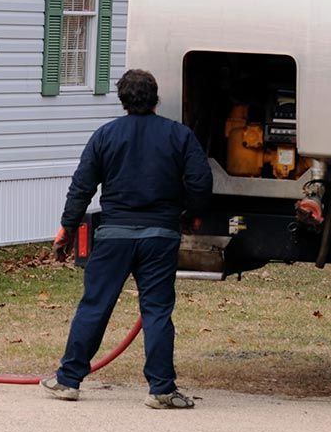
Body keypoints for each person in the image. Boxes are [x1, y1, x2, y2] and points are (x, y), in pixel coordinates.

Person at [41, 68, 213, 407]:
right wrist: (189, 215)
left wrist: (67, 229)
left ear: (122, 99)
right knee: (157, 311)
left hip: (114, 235)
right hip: (161, 235)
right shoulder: (178, 135)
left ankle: (68, 381)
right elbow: (201, 182)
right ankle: (161, 390)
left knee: (95, 305)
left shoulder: (105, 135)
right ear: (155, 97)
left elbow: (82, 188)